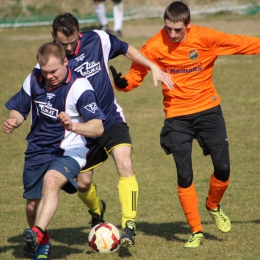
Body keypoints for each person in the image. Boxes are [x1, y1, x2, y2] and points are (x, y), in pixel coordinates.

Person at [109, 1, 260, 248]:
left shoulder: (206, 38)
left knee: (223, 169)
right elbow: (136, 74)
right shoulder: (156, 44)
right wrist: (122, 83)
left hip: (209, 111)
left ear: (188, 24)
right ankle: (196, 230)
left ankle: (212, 205)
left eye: (178, 30)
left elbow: (241, 43)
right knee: (184, 173)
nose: (173, 34)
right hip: (177, 116)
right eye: (168, 28)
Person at [51, 12, 173, 247]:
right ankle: (98, 211)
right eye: (61, 43)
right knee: (84, 184)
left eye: (72, 42)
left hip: (109, 117)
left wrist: (152, 66)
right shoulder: (52, 59)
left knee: (125, 163)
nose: (67, 48)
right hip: (82, 128)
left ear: (79, 33)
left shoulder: (98, 39)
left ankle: (129, 226)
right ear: (53, 38)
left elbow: (127, 49)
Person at [4, 42, 105, 259]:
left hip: (70, 149)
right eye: (45, 71)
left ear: (65, 62)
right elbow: (19, 108)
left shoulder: (80, 87)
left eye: (53, 71)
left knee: (51, 181)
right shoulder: (33, 78)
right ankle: (43, 240)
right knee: (32, 206)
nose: (49, 76)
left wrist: (73, 126)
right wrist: (13, 120)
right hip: (37, 150)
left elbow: (98, 127)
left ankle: (37, 233)